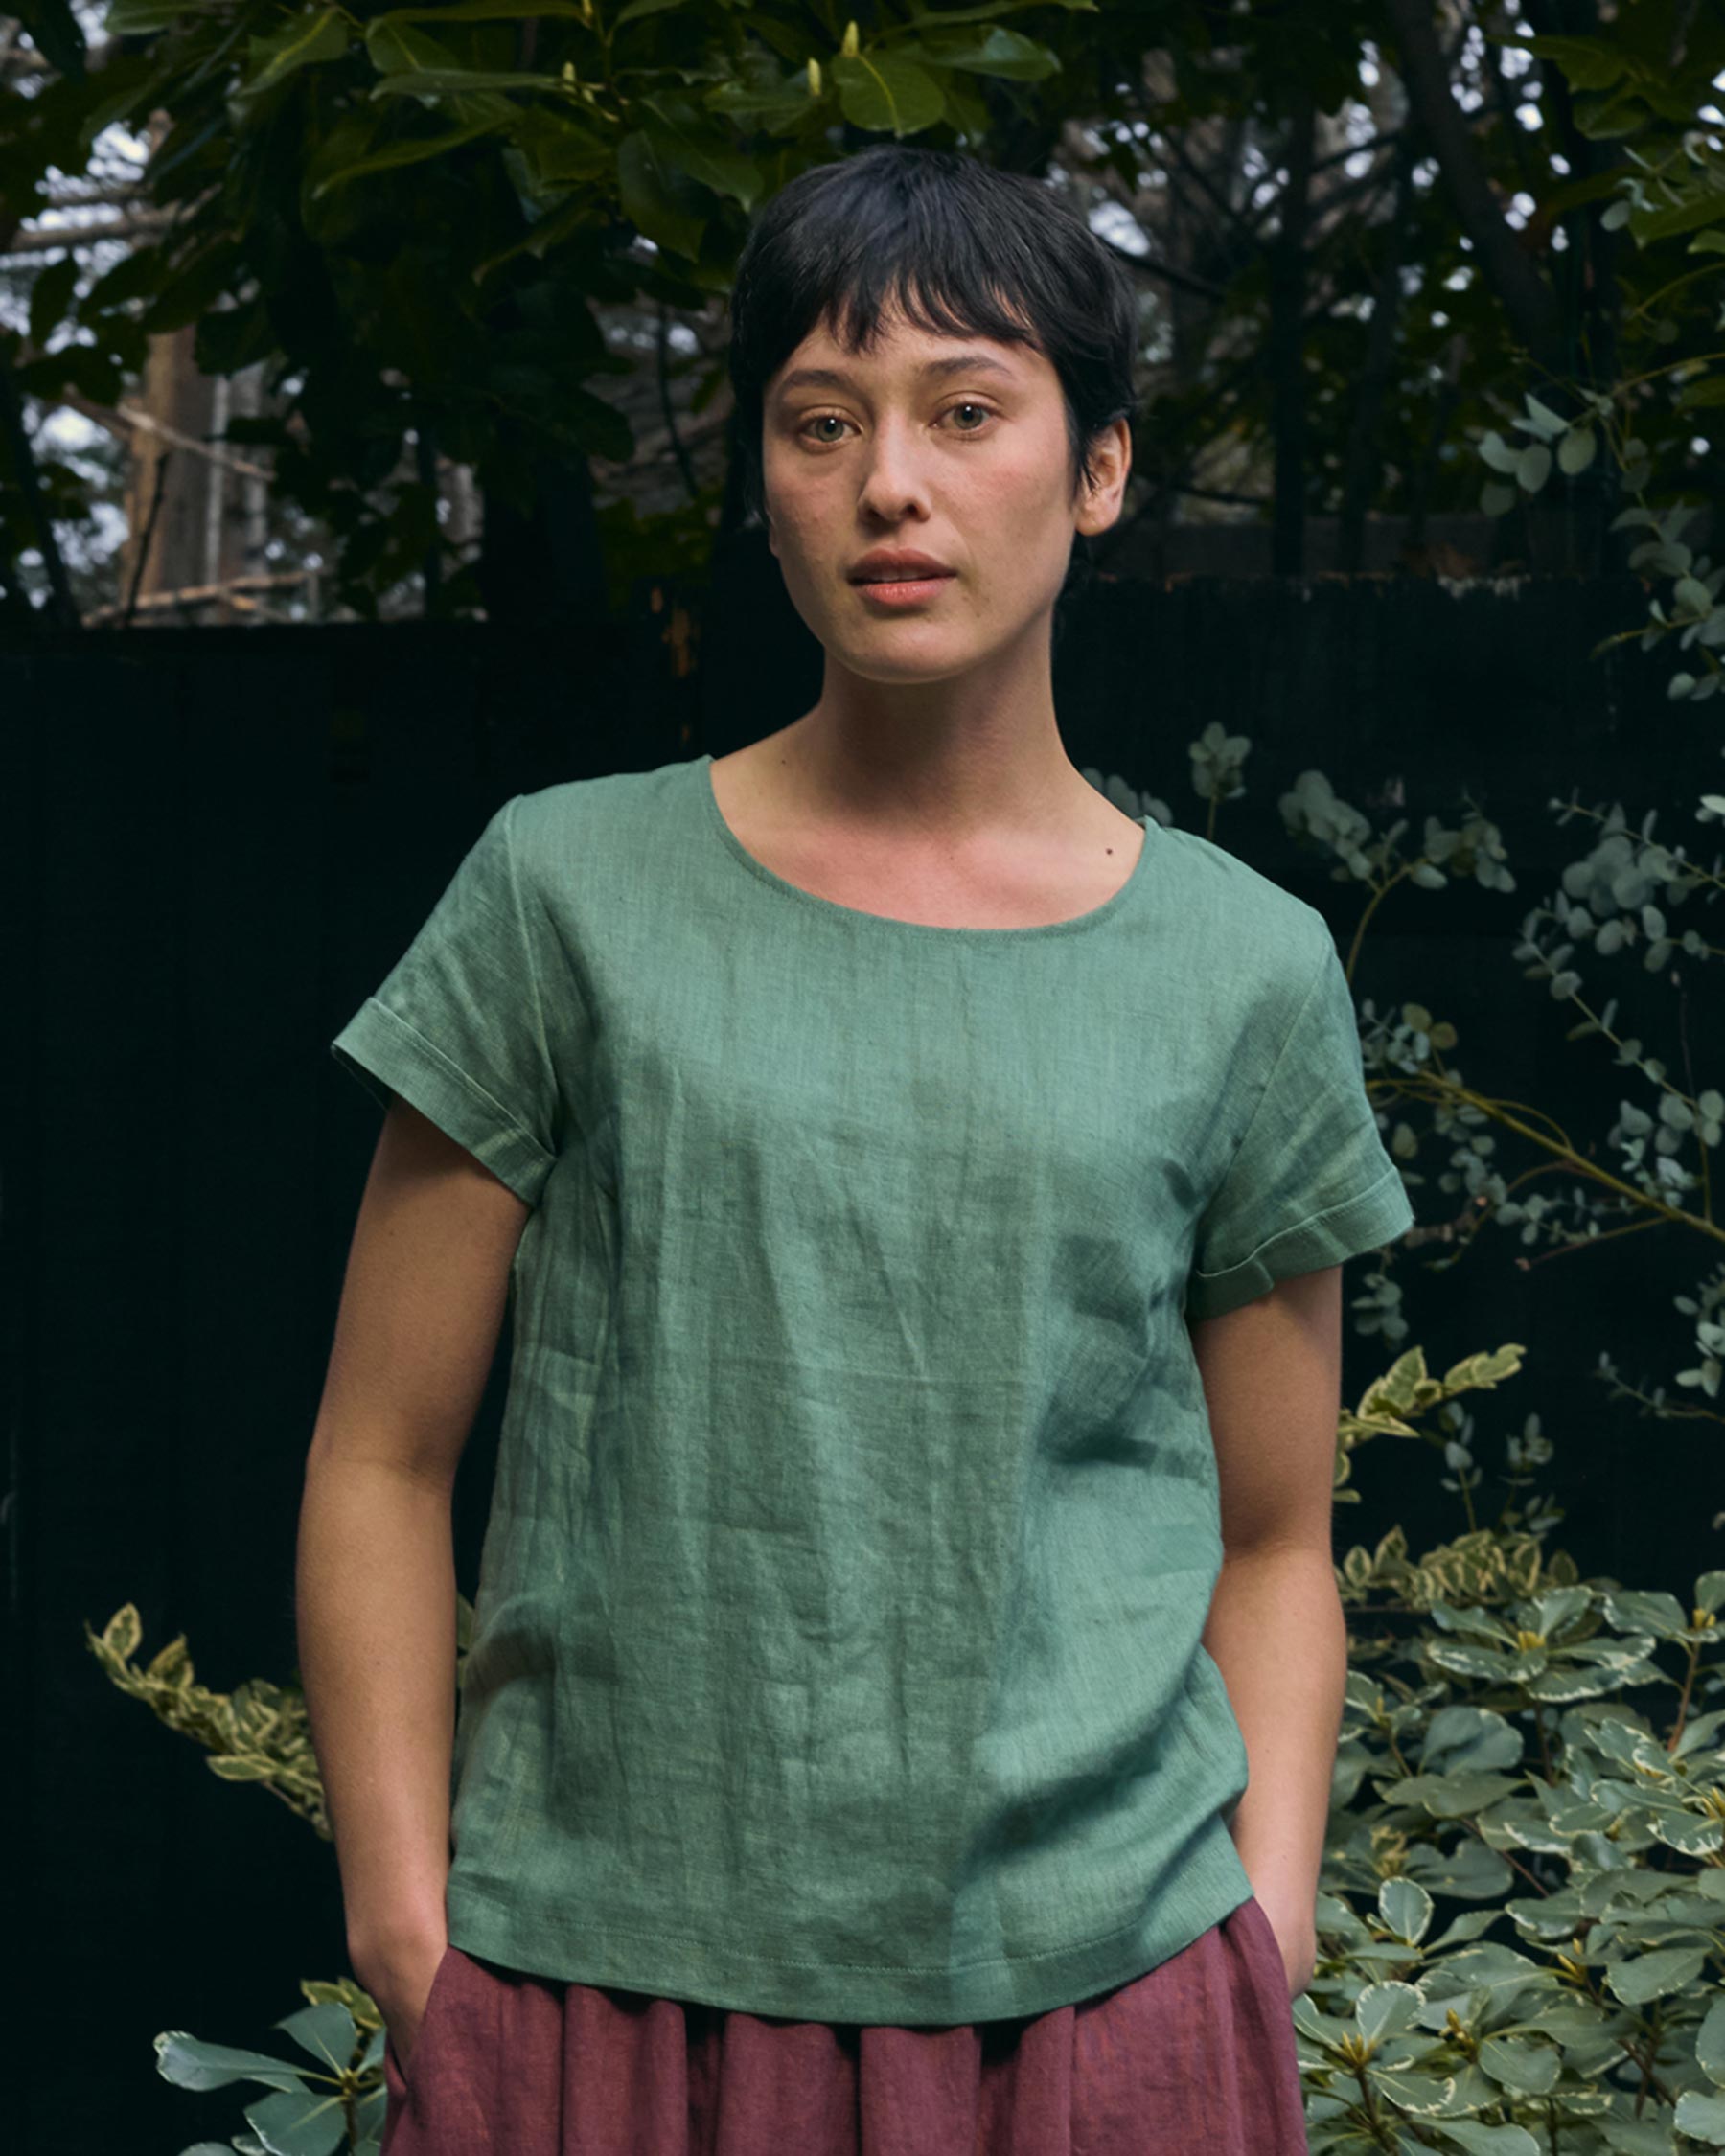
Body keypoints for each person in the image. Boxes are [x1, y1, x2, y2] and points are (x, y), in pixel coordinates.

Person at [298, 141, 1414, 2155]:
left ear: (1099, 471)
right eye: (823, 423)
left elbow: (1275, 1536)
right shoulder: (565, 893)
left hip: (1107, 2008)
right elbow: (380, 1455)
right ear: (766, 485)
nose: (890, 482)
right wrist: (410, 1926)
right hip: (600, 1998)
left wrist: (1265, 1920)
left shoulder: (1241, 970)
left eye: (966, 412)